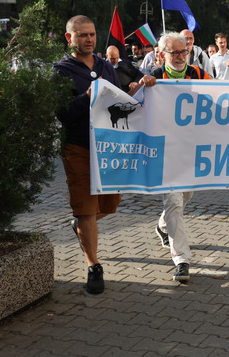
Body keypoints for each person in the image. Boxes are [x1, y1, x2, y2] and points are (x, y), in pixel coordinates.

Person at [53, 16, 156, 294]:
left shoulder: (105, 66)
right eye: (82, 35)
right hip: (79, 146)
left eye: (92, 34)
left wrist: (134, 90)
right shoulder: (60, 71)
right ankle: (93, 266)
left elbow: (117, 98)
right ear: (69, 38)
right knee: (87, 206)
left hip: (108, 146)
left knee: (109, 205)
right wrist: (86, 96)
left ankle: (81, 223)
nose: (89, 39)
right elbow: (62, 113)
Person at [150, 31, 229, 283]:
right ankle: (181, 259)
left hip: (192, 148)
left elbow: (219, 96)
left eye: (184, 52)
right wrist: (141, 87)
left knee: (185, 197)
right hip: (166, 151)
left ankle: (162, 225)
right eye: (174, 52)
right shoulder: (154, 78)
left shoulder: (199, 74)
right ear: (162, 55)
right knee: (173, 201)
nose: (180, 56)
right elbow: (135, 103)